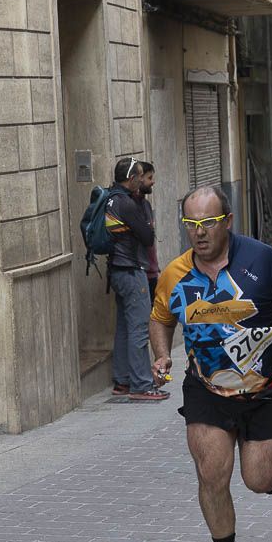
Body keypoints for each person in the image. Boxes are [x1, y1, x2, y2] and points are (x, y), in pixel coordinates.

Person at [150, 185, 272, 542]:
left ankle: (262, 458)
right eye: (191, 224)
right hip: (206, 389)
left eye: (208, 223)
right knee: (211, 474)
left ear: (227, 221)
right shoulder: (176, 274)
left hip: (263, 389)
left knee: (259, 480)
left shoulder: (262, 259)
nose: (199, 232)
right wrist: (161, 355)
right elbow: (159, 319)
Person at [106, 158, 169, 401]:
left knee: (123, 328)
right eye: (140, 176)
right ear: (132, 179)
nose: (142, 180)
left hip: (116, 271)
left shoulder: (111, 198)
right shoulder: (127, 204)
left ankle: (122, 381)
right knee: (139, 328)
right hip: (131, 270)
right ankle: (142, 385)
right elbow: (147, 237)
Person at [135, 161, 160, 302]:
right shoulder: (131, 207)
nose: (153, 182)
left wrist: (156, 269)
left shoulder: (146, 205)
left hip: (151, 273)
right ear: (140, 178)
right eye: (150, 178)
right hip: (141, 274)